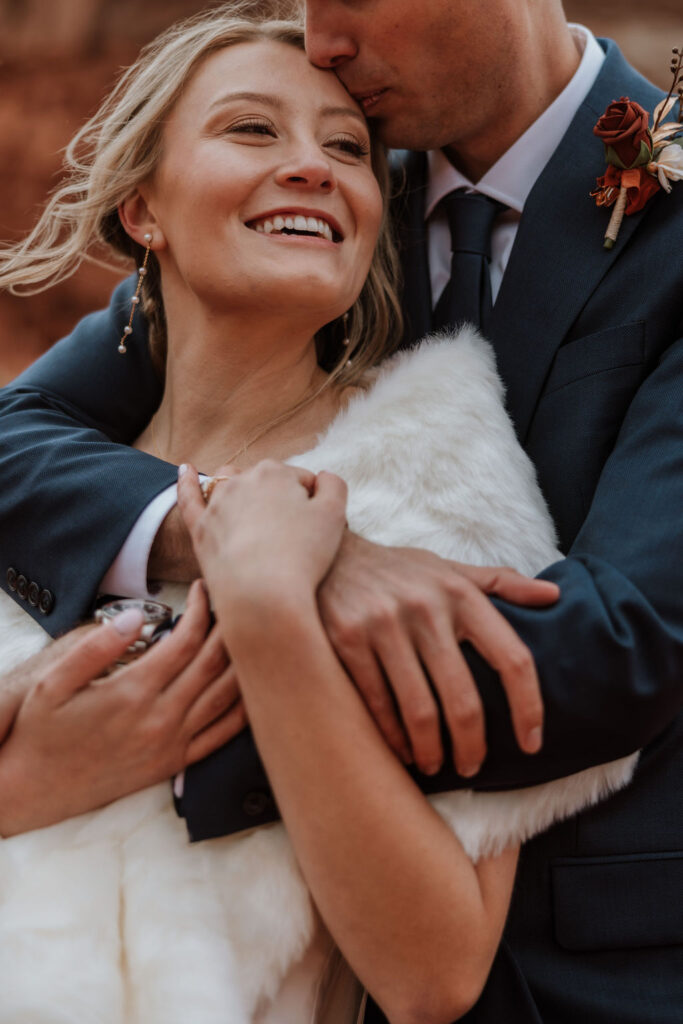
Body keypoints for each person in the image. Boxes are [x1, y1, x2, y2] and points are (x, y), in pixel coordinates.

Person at [0, 0, 680, 1020]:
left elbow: (632, 636)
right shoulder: (337, 183)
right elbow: (21, 433)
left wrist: (123, 731)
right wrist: (244, 531)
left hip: (588, 979)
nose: (320, 41)